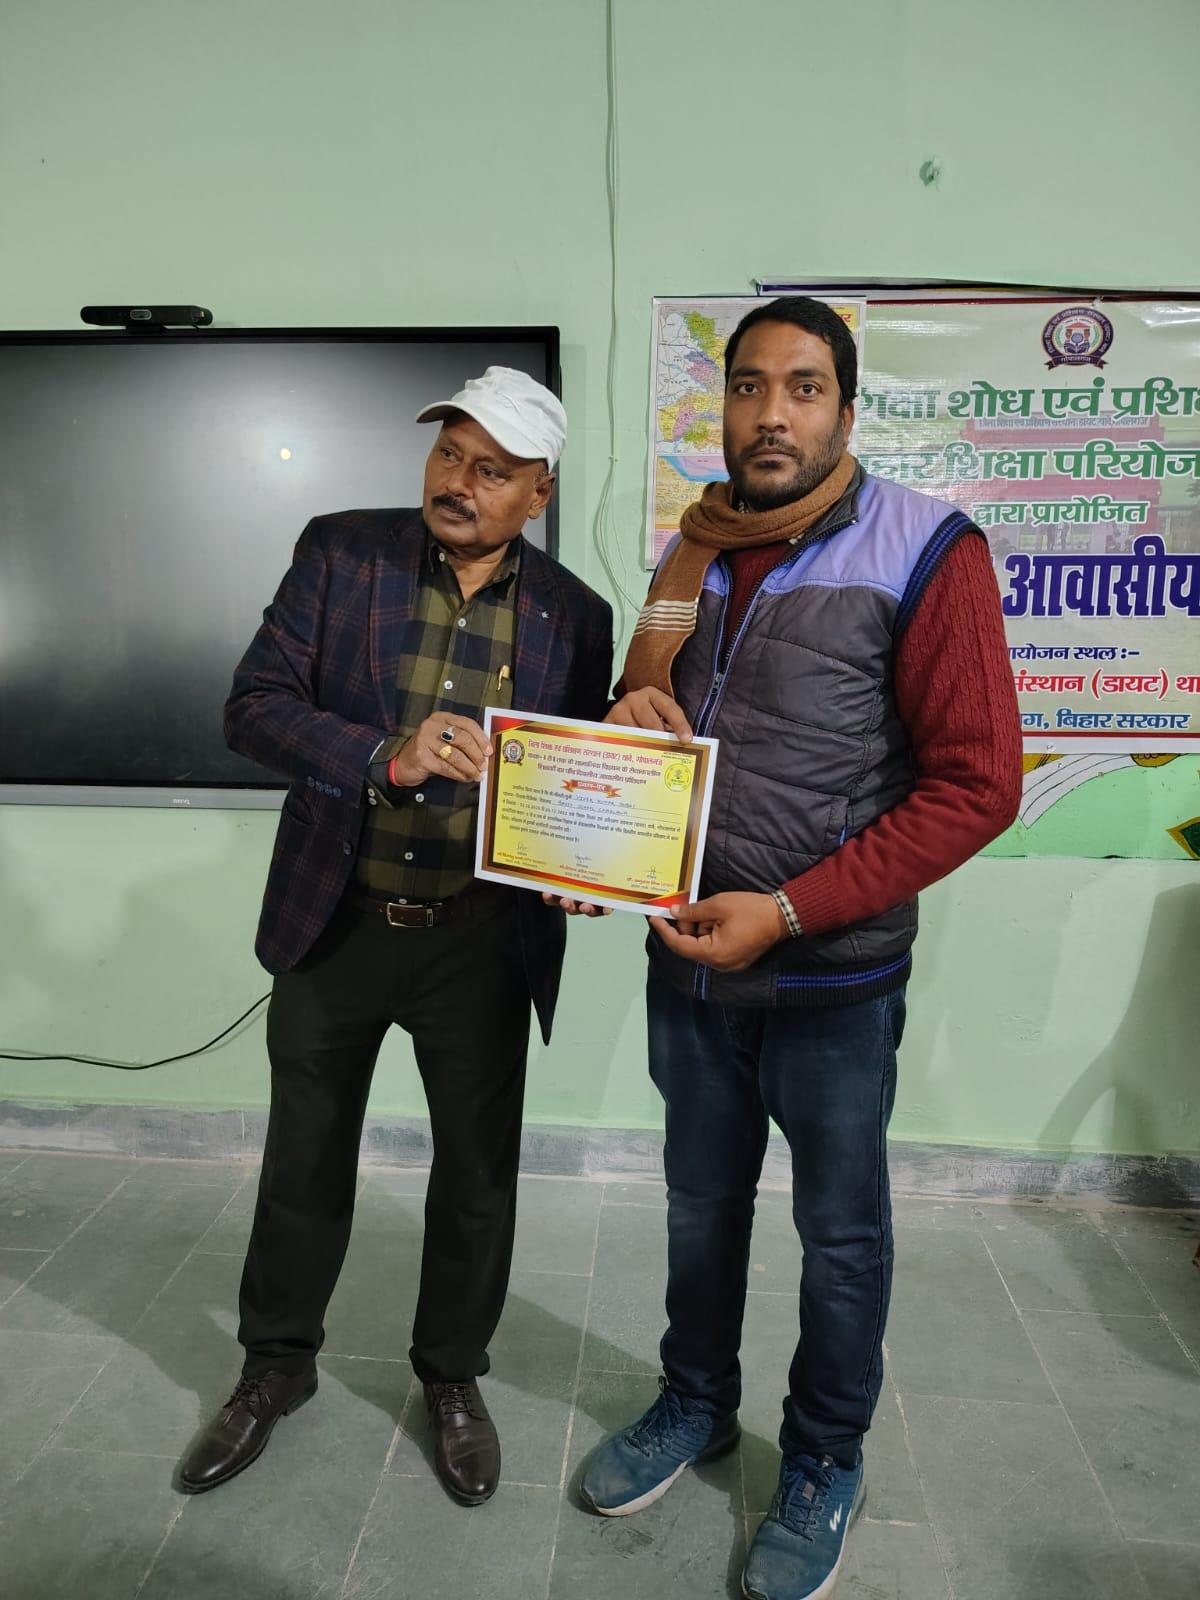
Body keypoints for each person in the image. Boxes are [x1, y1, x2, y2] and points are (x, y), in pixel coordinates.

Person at [578, 298, 1022, 1600]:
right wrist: (605, 792)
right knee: (699, 1204)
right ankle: (695, 1401)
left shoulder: (928, 550)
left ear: (846, 407)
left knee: (839, 1237)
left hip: (832, 980)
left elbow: (978, 786)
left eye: (805, 387)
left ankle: (826, 1456)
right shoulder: (695, 549)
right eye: (749, 385)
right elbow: (651, 720)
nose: (773, 413)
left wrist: (783, 911)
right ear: (720, 404)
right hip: (688, 966)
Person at [178, 367, 613, 1506]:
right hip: (337, 920)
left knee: (475, 1175)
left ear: (539, 493)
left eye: (492, 469)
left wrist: (581, 868)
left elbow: (570, 784)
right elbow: (253, 707)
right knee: (303, 1157)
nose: (459, 482)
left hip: (482, 940)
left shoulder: (576, 615)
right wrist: (386, 756)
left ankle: (451, 1376)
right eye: (449, 454)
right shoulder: (341, 553)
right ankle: (275, 1367)